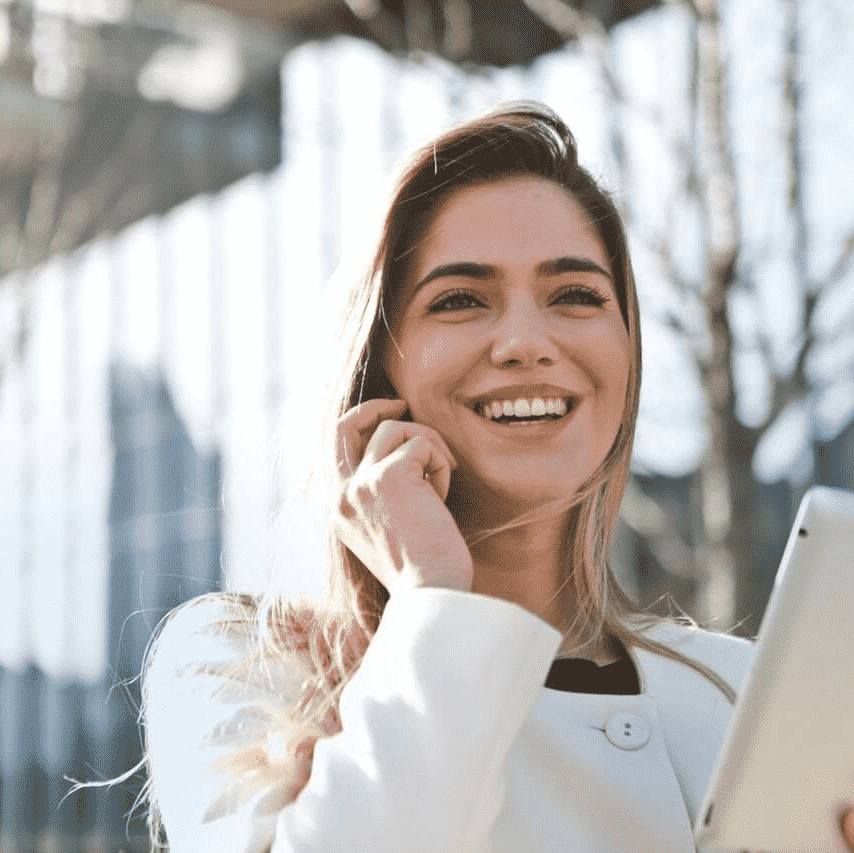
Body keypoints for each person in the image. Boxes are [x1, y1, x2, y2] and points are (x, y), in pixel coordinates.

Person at [137, 103, 854, 852]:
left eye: (575, 295)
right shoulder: (247, 669)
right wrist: (434, 597)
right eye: (460, 299)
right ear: (377, 367)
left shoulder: (744, 691)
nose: (524, 341)